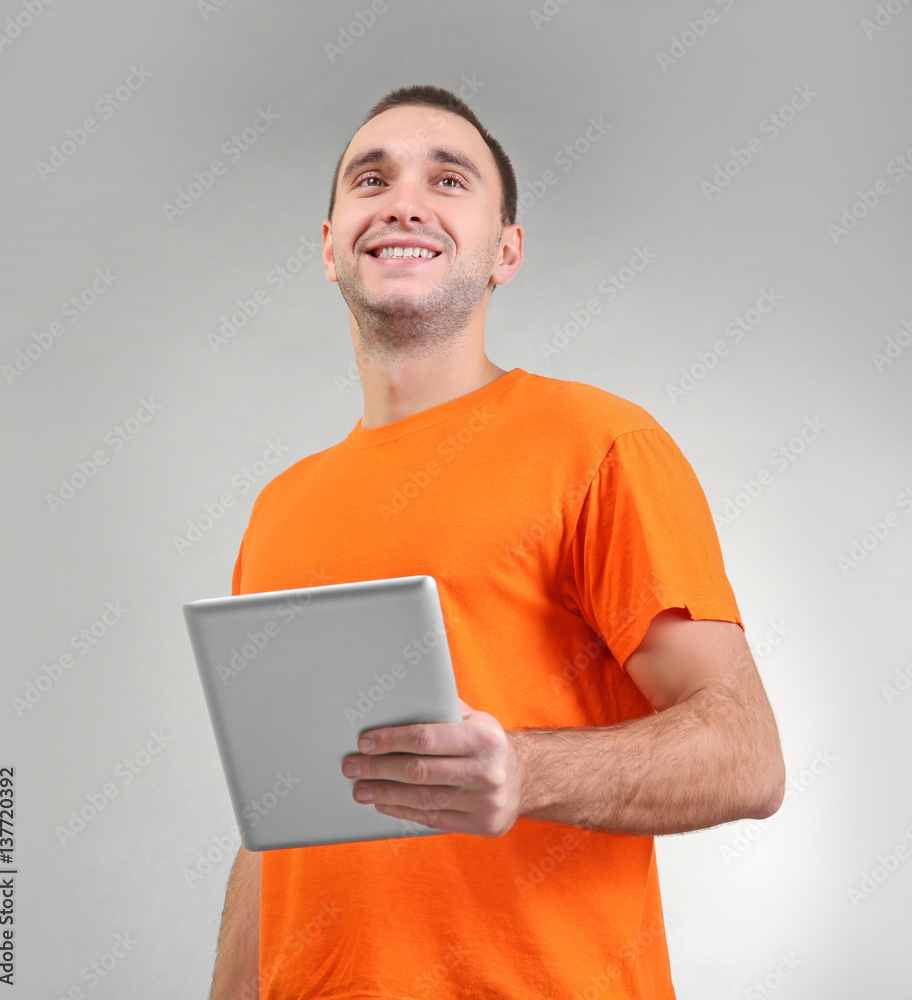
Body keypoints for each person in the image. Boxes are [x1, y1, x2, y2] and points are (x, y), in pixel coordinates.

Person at [207, 84, 785, 999]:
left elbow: (747, 751)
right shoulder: (279, 508)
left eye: (448, 179)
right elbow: (271, 824)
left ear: (505, 250)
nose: (403, 200)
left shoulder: (600, 445)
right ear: (328, 245)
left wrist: (526, 769)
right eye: (371, 178)